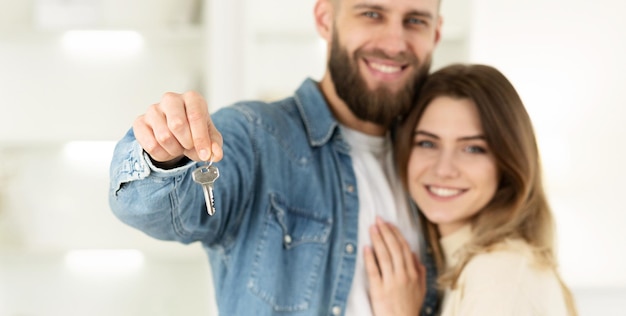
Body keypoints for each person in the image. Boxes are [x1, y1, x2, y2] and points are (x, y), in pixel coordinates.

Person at [109, 0, 445, 315]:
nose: (394, 42)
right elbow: (151, 208)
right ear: (325, 19)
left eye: (415, 20)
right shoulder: (255, 135)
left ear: (437, 34)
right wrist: (163, 155)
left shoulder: (440, 169)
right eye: (372, 14)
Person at [364, 64, 578, 315]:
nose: (444, 169)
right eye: (427, 143)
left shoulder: (500, 274)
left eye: (472, 148)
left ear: (507, 163)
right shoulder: (469, 267)